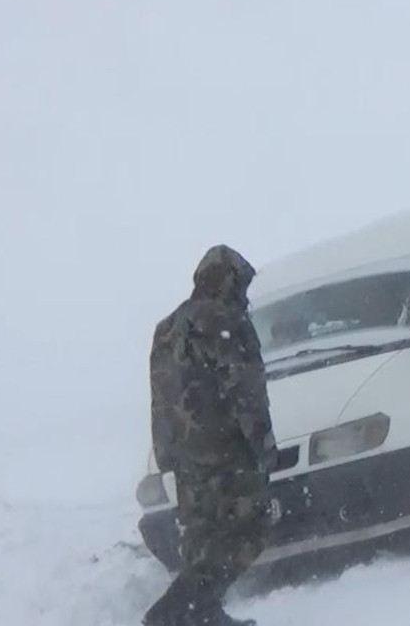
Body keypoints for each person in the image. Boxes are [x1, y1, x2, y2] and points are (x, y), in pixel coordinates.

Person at [144, 245, 277, 626]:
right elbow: (247, 390)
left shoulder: (167, 328)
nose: (245, 295)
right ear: (231, 281)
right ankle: (171, 613)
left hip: (185, 456)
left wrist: (166, 452)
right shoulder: (227, 321)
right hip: (227, 451)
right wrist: (263, 444)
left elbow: (160, 395)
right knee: (248, 529)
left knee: (203, 538)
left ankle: (202, 614)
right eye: (242, 285)